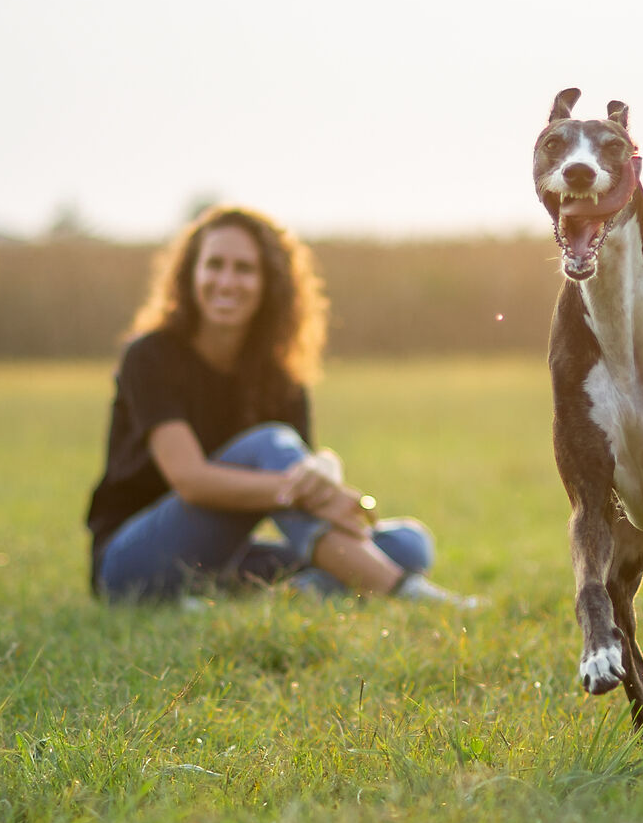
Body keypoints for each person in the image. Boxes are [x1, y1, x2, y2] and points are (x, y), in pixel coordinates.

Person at [85, 205, 475, 607]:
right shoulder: (150, 355)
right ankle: (403, 592)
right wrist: (300, 491)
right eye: (214, 265)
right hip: (130, 564)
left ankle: (274, 600)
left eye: (244, 269)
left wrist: (325, 467)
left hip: (225, 557)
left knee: (408, 544)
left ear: (269, 283)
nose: (226, 281)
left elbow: (301, 475)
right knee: (268, 442)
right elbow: (190, 479)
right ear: (190, 275)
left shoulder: (280, 373)